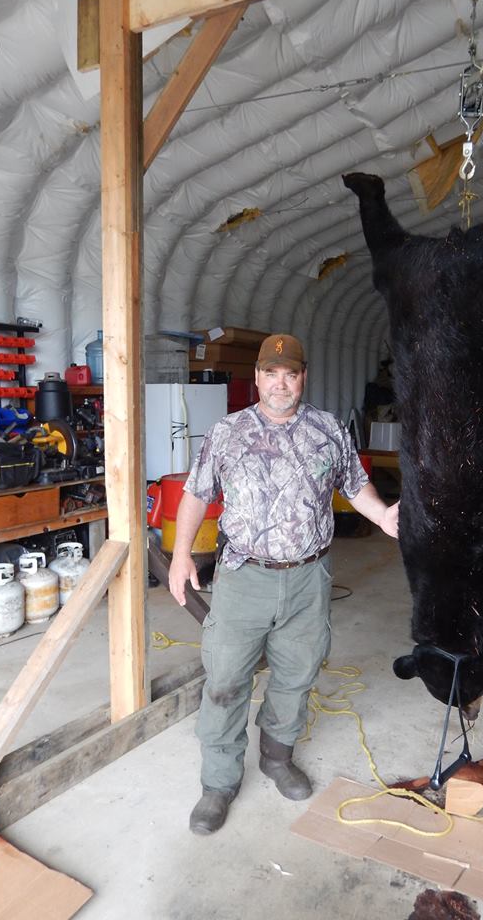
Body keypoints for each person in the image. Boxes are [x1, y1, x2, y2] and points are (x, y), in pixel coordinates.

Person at [169, 333, 399, 835]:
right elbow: (195, 494)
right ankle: (218, 783)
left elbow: (355, 486)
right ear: (256, 379)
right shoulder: (227, 432)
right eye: (270, 374)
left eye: (290, 374)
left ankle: (276, 757)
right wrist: (181, 555)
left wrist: (382, 516)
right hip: (243, 577)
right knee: (227, 680)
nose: (280, 384)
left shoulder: (328, 430)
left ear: (303, 378)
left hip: (308, 578)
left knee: (297, 673)